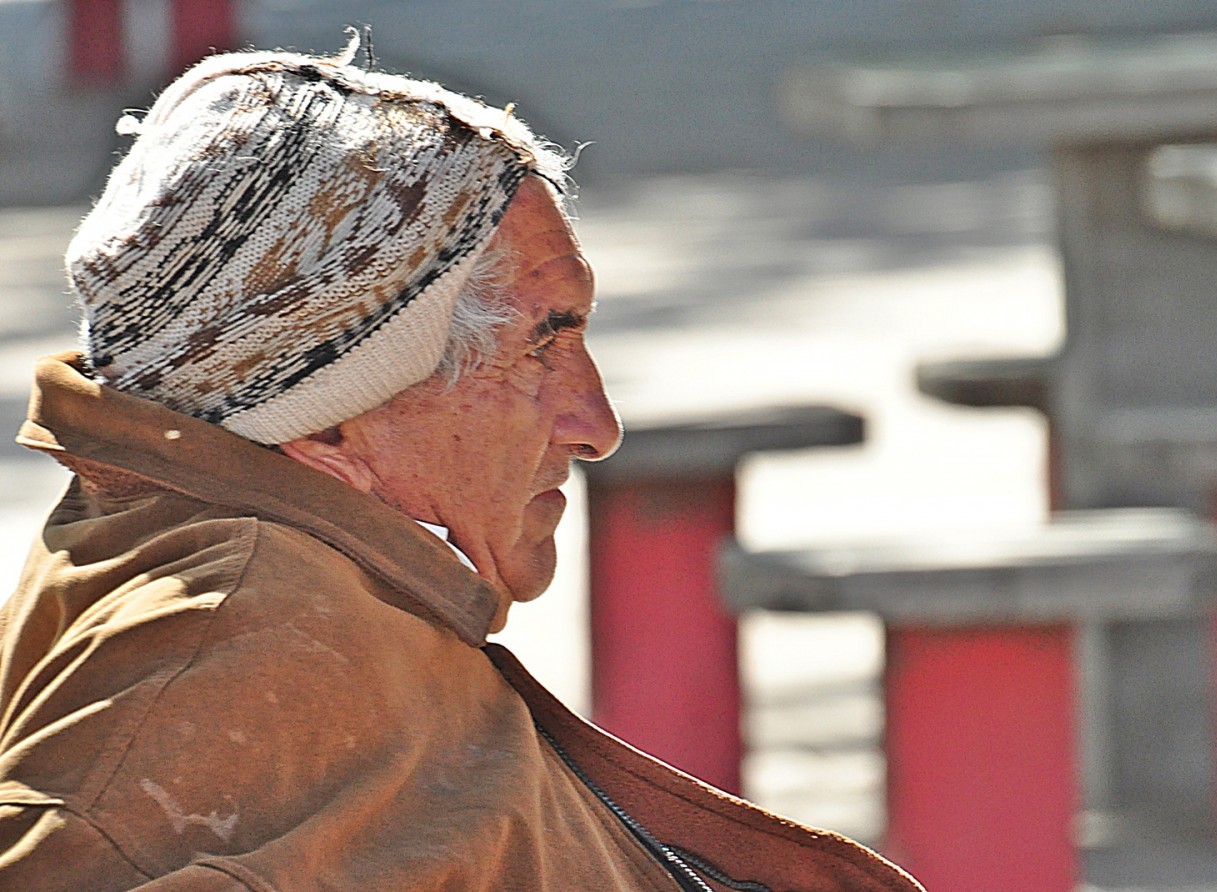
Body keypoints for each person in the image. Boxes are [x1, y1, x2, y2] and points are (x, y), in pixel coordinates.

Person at [0, 37, 923, 891]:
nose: (595, 424)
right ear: (326, 424)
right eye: (542, 344)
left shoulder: (244, 578)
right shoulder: (245, 646)